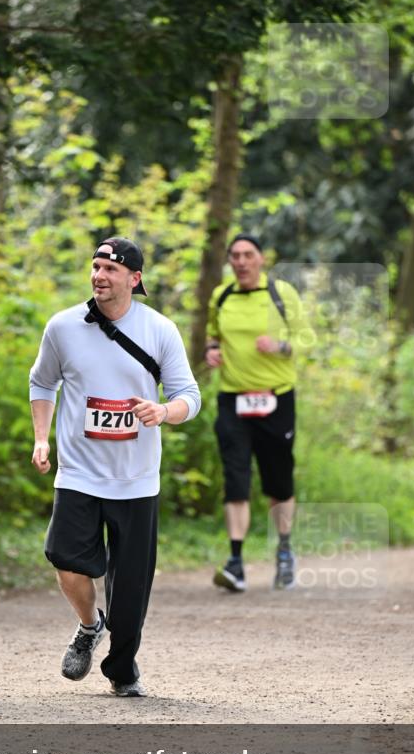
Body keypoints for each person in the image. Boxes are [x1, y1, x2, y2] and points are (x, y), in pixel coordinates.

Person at [30, 237, 201, 697]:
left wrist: (164, 412)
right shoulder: (63, 327)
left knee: (129, 591)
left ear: (135, 278)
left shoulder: (160, 329)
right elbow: (42, 382)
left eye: (111, 268)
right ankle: (89, 626)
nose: (100, 275)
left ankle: (122, 671)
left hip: (136, 480)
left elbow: (190, 397)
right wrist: (42, 438)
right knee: (65, 560)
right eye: (96, 266)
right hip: (79, 474)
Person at [205, 234, 313, 593]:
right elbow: (213, 334)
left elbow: (306, 341)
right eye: (234, 255)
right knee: (235, 478)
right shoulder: (221, 296)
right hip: (233, 399)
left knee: (278, 482)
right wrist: (213, 351)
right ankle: (236, 562)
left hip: (276, 400)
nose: (240, 261)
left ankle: (284, 551)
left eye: (248, 255)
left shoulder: (281, 295)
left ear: (261, 259)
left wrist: (279, 346)